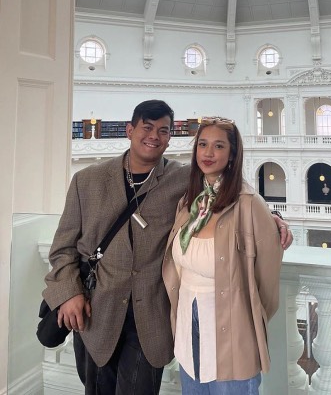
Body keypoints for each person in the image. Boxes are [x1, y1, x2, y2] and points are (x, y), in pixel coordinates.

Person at [42, 100, 292, 395]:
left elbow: (229, 192)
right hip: (96, 315)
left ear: (170, 137)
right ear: (129, 130)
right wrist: (69, 293)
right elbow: (63, 248)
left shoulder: (182, 179)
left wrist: (273, 218)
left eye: (163, 130)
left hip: (149, 321)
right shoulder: (87, 181)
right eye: (147, 128)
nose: (154, 136)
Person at [162, 116, 284, 394]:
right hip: (187, 323)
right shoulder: (189, 202)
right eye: (202, 144)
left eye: (218, 146)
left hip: (232, 332)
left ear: (232, 154)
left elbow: (266, 285)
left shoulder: (249, 204)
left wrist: (244, 320)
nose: (208, 153)